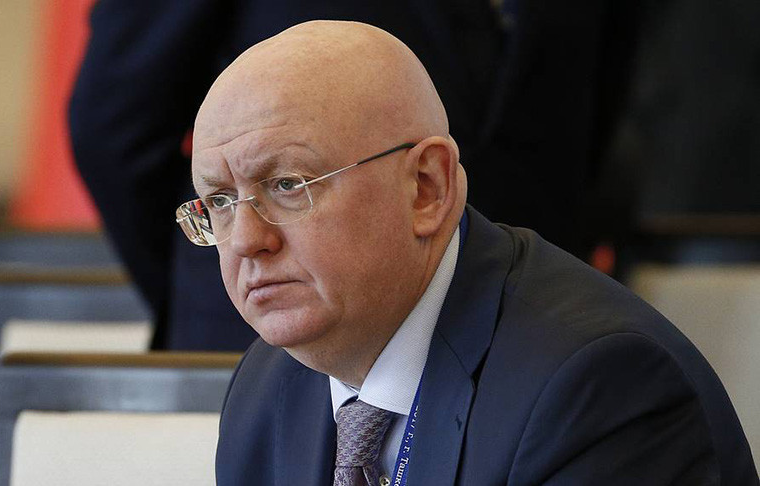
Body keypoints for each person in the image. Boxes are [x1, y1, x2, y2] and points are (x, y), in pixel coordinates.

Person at [179, 21, 758, 485]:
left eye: (289, 185)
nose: (247, 240)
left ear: (426, 189)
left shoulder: (594, 386)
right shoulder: (268, 386)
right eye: (220, 201)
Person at [70, 0, 639, 350]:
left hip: (524, 335)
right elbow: (113, 129)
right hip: (259, 349)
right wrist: (227, 265)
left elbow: (590, 118)